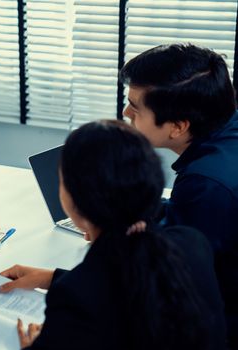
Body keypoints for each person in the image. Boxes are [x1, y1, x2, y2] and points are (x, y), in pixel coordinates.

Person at [0, 120, 226, 349]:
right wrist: (53, 278)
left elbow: (103, 292)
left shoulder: (75, 297)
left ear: (75, 201)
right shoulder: (192, 242)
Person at [120, 43, 238, 346]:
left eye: (136, 107)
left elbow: (172, 282)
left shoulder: (207, 183)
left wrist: (59, 280)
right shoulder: (225, 136)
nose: (126, 113)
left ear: (177, 127)